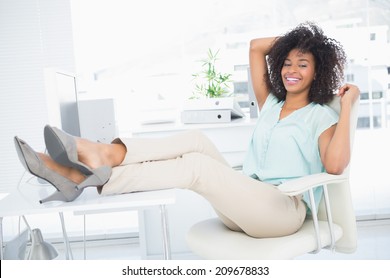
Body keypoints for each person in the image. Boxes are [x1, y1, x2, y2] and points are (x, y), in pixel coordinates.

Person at [14, 22, 359, 239]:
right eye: (286, 62)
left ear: (318, 72)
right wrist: (303, 42)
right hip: (245, 200)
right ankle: (98, 158)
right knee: (196, 141)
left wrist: (347, 105)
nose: (291, 70)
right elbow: (257, 46)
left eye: (303, 64)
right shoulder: (270, 103)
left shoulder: (320, 117)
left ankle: (83, 169)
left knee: (197, 166)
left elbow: (334, 167)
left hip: (281, 212)